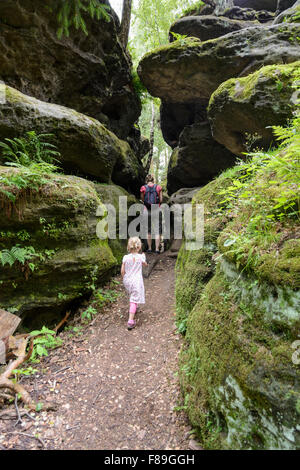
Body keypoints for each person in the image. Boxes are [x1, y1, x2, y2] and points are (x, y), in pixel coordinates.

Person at [121, 237, 148, 330]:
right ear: (139, 247)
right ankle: (130, 321)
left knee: (132, 295)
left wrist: (124, 278)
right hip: (136, 281)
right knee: (134, 300)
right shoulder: (140, 257)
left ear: (129, 247)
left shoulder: (125, 257)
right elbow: (145, 265)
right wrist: (144, 257)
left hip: (127, 280)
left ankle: (133, 309)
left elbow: (122, 271)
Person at [140, 174, 163, 254]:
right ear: (153, 180)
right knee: (158, 230)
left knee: (148, 230)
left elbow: (142, 199)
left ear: (146, 180)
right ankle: (157, 249)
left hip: (147, 210)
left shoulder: (143, 188)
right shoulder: (158, 187)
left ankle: (149, 248)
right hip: (157, 209)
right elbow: (161, 200)